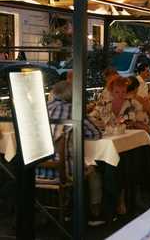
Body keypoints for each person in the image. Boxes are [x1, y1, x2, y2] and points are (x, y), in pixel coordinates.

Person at [46, 81, 104, 225]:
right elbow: (96, 134)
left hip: (38, 168)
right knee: (93, 167)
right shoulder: (75, 110)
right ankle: (92, 214)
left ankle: (64, 210)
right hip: (64, 171)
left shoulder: (43, 109)